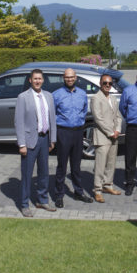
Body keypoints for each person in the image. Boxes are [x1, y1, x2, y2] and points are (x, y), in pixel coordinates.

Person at [14, 69, 57, 217]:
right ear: (30, 81)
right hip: (30, 141)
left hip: (45, 139)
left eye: (40, 78)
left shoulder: (49, 96)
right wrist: (22, 144)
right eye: (35, 79)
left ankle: (42, 200)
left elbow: (52, 120)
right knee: (26, 175)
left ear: (43, 80)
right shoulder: (23, 97)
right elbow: (18, 122)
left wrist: (53, 139)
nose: (38, 81)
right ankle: (25, 204)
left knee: (44, 172)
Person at [51, 68, 93, 207]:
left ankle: (78, 192)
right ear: (64, 78)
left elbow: (84, 110)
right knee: (62, 166)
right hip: (63, 132)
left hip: (78, 132)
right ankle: (59, 195)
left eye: (72, 77)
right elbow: (52, 115)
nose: (69, 79)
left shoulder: (82, 94)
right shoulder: (56, 95)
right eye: (67, 77)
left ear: (76, 78)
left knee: (76, 165)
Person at [91, 73, 123, 203]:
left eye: (110, 83)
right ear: (100, 83)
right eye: (105, 83)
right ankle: (97, 190)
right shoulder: (96, 98)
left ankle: (108, 185)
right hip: (103, 136)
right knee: (100, 165)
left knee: (111, 163)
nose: (108, 85)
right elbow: (98, 119)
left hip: (114, 136)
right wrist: (110, 132)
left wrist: (118, 130)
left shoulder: (113, 99)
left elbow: (118, 116)